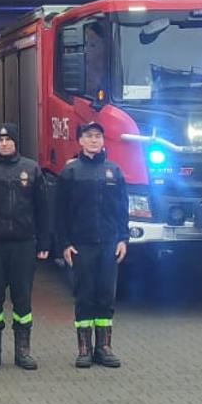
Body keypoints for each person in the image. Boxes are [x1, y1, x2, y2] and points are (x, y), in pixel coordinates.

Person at [0, 123, 51, 371]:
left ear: (16, 142)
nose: (4, 143)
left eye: (8, 139)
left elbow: (43, 210)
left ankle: (23, 351)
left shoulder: (31, 169)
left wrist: (44, 242)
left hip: (24, 244)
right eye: (0, 140)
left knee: (22, 300)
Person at [55, 122, 128, 369]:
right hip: (81, 245)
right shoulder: (70, 173)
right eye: (89, 136)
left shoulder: (114, 171)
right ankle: (84, 349)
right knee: (84, 296)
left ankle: (104, 348)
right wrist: (64, 244)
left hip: (108, 244)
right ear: (81, 141)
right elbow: (60, 213)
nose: (94, 140)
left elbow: (122, 209)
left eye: (98, 136)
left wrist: (123, 239)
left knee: (106, 295)